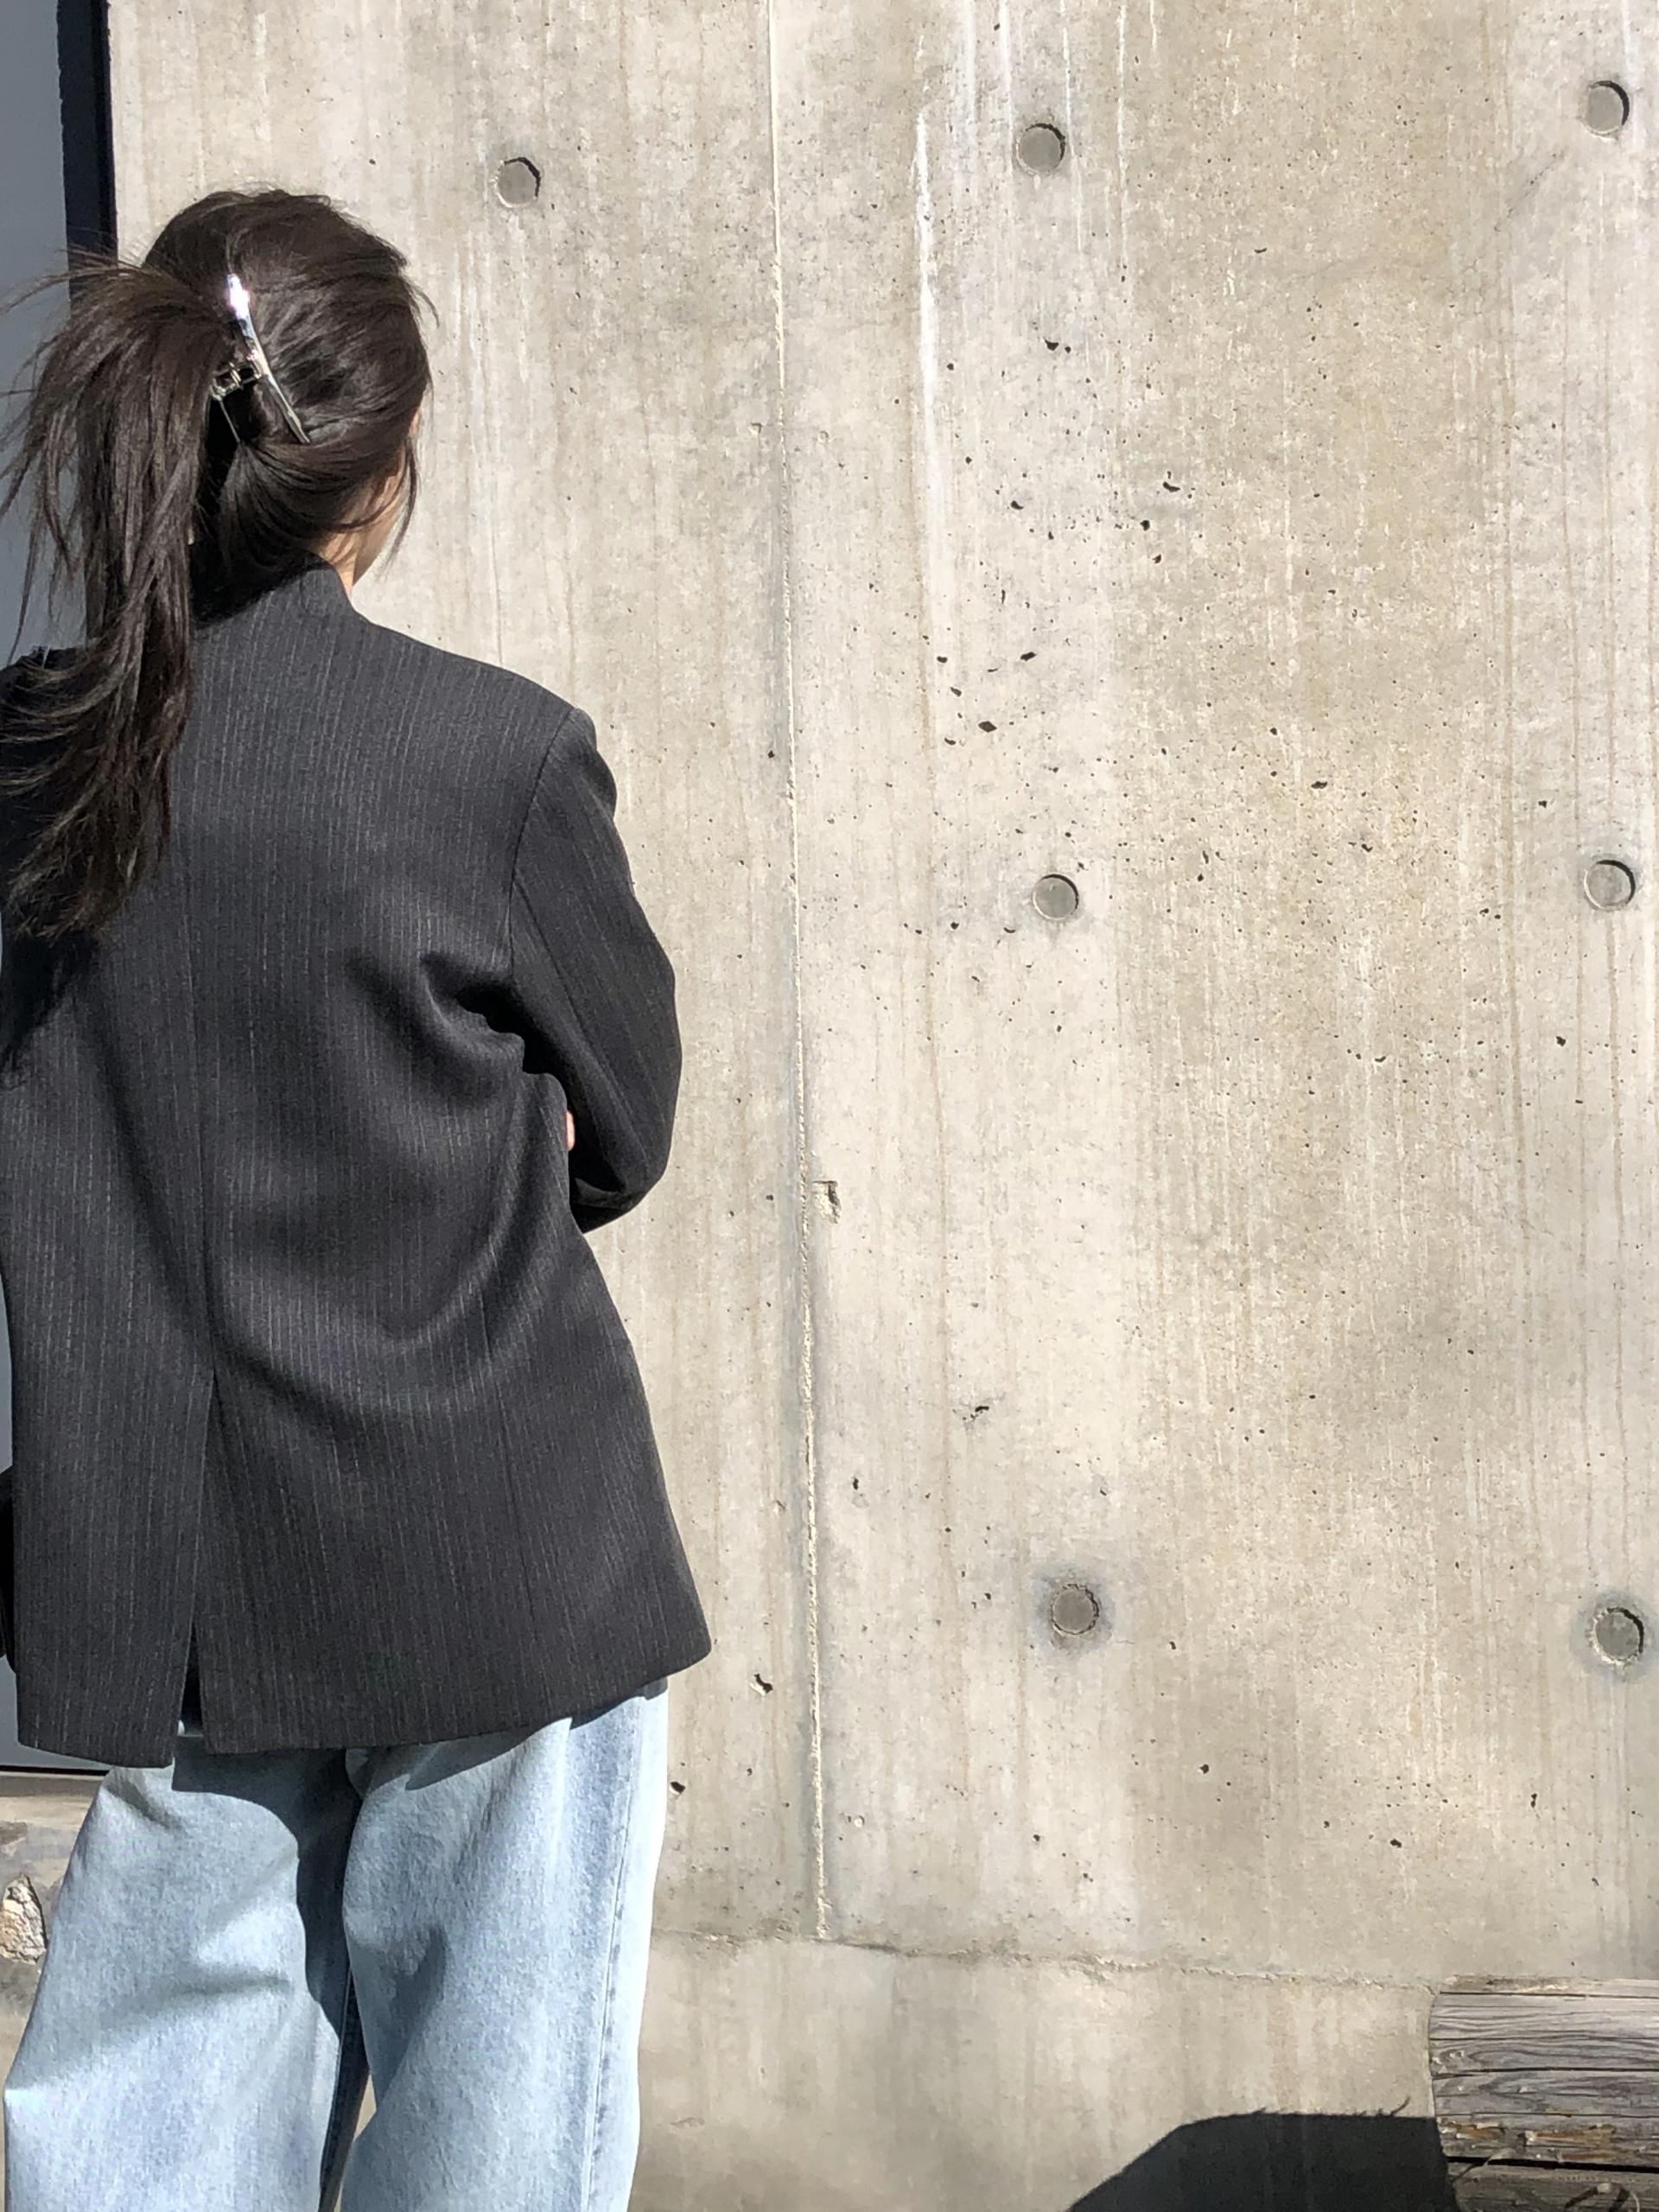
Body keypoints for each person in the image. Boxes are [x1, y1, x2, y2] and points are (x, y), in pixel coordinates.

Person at [0, 186, 711, 2211]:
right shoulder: (492, 757)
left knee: (142, 2137)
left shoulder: (28, 764)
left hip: (161, 1564)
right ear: (377, 473)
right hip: (488, 1547)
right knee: (498, 2139)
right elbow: (626, 1122)